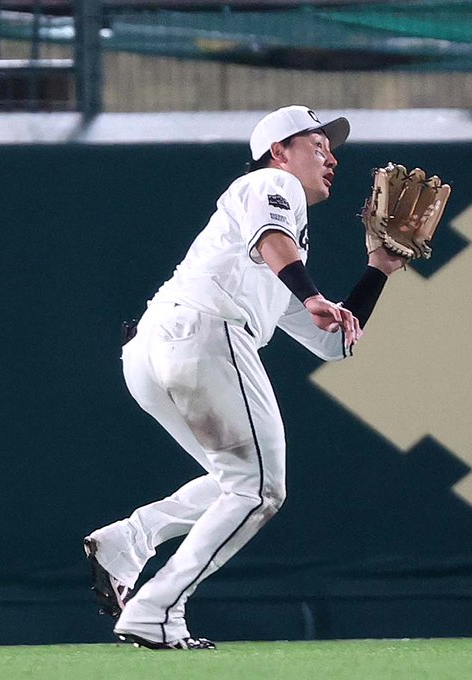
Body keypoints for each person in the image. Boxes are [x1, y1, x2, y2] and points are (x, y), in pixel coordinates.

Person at [84, 105, 406, 650]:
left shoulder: (276, 251)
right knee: (260, 490)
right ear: (280, 151)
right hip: (204, 332)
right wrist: (312, 295)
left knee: (233, 483)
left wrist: (378, 268)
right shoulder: (270, 183)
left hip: (153, 348)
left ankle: (130, 540)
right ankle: (158, 610)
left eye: (332, 149)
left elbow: (332, 343)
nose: (331, 157)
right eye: (317, 145)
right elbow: (273, 238)